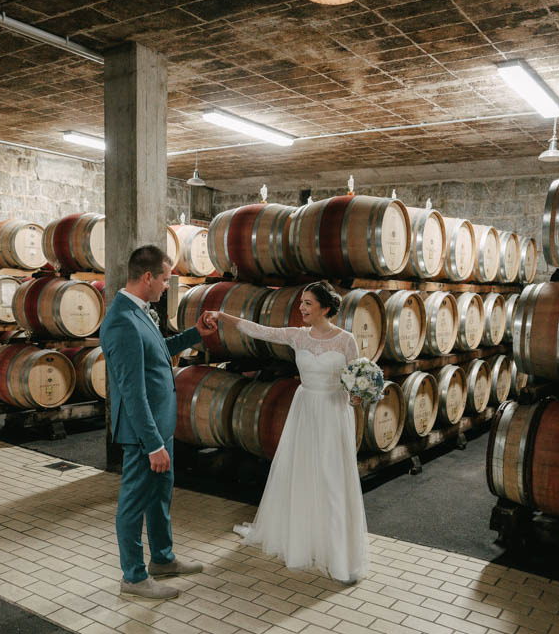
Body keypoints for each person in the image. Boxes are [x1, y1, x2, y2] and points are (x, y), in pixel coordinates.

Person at [206, 281, 369, 583]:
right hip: (305, 409)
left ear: (325, 308)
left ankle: (339, 555)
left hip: (333, 412)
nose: (301, 308)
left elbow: (355, 381)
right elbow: (260, 331)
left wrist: (358, 396)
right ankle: (301, 539)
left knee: (332, 477)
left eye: (308, 303)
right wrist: (222, 316)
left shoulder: (346, 340)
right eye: (301, 302)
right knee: (302, 472)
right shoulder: (297, 335)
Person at [100, 244, 216, 600]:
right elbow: (132, 391)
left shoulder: (139, 311)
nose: (167, 286)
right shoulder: (121, 321)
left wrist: (195, 333)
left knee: (160, 495)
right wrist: (152, 444)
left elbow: (159, 351)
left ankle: (163, 559)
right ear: (148, 277)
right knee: (134, 501)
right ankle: (133, 577)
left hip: (158, 426)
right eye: (165, 280)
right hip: (142, 434)